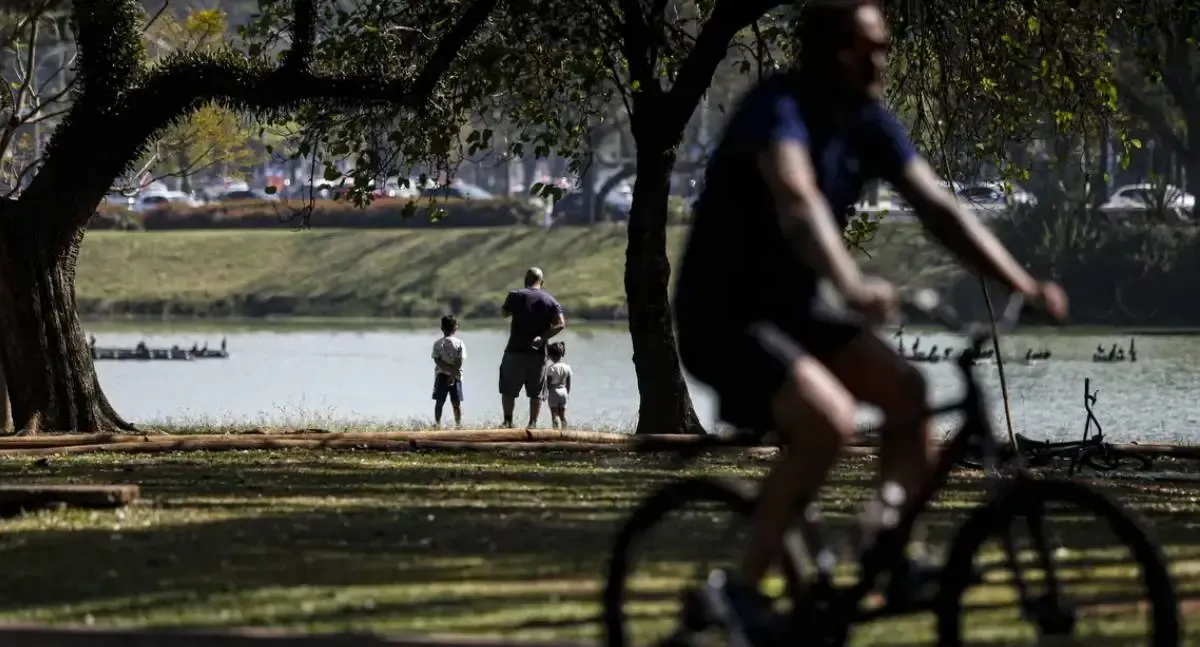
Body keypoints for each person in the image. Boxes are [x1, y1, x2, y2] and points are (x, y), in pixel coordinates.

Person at [671, 0, 1069, 642]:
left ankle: (891, 549)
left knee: (907, 391)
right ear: (829, 52)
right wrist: (851, 282)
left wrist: (1020, 280)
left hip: (794, 316)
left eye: (883, 46)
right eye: (867, 47)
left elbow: (938, 208)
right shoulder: (779, 108)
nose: (880, 59)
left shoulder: (867, 121)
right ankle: (741, 592)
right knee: (827, 421)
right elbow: (797, 201)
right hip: (724, 318)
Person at [499, 267, 566, 428]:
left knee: (508, 388)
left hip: (515, 350)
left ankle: (508, 421)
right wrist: (543, 337)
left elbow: (504, 313)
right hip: (538, 353)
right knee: (536, 392)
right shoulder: (550, 300)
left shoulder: (516, 295)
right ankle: (533, 424)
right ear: (542, 282)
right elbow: (560, 324)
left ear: (525, 280)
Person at [431, 314, 466, 427]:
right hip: (456, 376)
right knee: (456, 403)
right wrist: (452, 374)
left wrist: (448, 371)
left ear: (442, 328)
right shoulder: (460, 343)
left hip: (441, 375)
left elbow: (437, 361)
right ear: (456, 328)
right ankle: (458, 425)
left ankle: (437, 424)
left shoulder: (437, 344)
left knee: (439, 402)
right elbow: (459, 361)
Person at [545, 342, 573, 428]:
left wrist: (546, 392)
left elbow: (548, 383)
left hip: (554, 391)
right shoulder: (567, 367)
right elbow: (568, 382)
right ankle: (564, 431)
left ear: (551, 356)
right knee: (562, 415)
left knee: (554, 414)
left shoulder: (551, 368)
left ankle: (555, 430)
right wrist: (567, 392)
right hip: (563, 391)